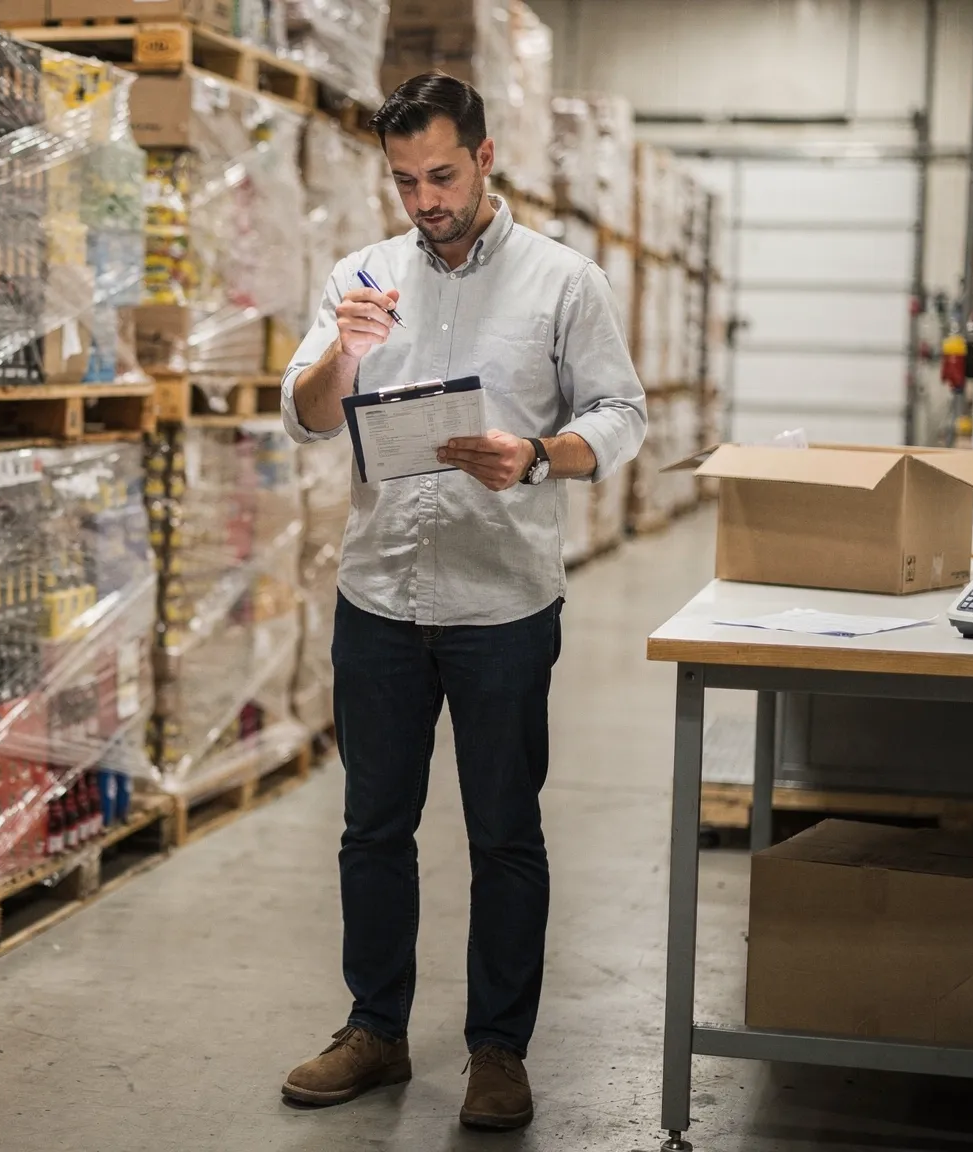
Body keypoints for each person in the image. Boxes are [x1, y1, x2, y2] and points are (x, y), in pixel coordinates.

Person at [276, 74, 648, 1131]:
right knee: (371, 829)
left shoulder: (562, 281)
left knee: (502, 834)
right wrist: (338, 358)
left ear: (485, 158)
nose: (423, 199)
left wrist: (535, 453)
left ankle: (497, 1050)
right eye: (403, 181)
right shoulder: (359, 274)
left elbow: (621, 415)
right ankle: (373, 1030)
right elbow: (302, 418)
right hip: (378, 594)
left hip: (502, 605)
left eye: (440, 174)